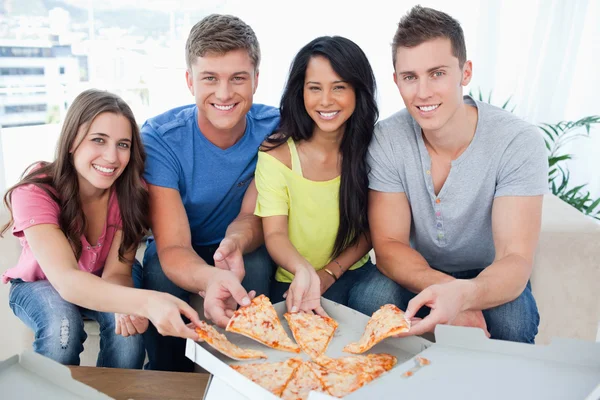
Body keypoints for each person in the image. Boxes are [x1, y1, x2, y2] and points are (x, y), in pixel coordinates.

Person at [367, 6, 548, 344]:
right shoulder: (387, 139)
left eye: (437, 73)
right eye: (410, 77)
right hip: (416, 265)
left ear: (465, 72)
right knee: (368, 299)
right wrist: (451, 295)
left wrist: (465, 295)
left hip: (488, 270)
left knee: (513, 322)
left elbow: (515, 258)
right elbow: (389, 246)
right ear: (396, 80)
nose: (422, 92)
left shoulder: (517, 142)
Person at [1, 89, 202, 368]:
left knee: (128, 337)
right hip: (44, 281)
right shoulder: (36, 190)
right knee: (63, 329)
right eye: (98, 140)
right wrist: (146, 302)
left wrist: (126, 304)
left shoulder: (132, 192)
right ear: (72, 141)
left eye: (123, 144)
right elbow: (67, 280)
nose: (111, 157)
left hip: (106, 277)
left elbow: (118, 271)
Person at [140, 14, 280, 371]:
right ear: (190, 81)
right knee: (156, 273)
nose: (224, 93)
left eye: (237, 78)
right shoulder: (160, 139)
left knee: (259, 265)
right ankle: (169, 378)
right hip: (179, 246)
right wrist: (211, 278)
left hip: (239, 242)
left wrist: (234, 242)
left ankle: (247, 373)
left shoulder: (277, 128)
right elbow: (172, 246)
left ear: (256, 80)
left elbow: (254, 215)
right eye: (210, 79)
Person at [256, 36, 405, 317]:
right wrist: (304, 271)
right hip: (293, 279)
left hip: (353, 273)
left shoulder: (371, 148)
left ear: (358, 92)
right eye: (315, 88)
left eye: (339, 87)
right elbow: (274, 234)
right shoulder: (276, 155)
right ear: (301, 92)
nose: (326, 101)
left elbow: (371, 230)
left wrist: (328, 273)